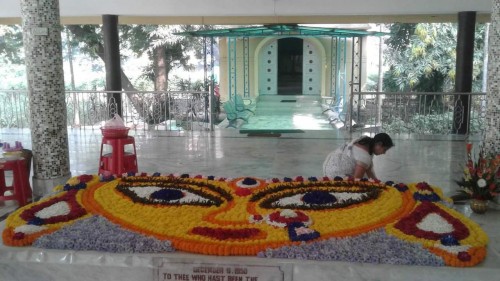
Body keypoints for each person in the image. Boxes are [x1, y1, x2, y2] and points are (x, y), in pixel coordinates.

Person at [323, 133, 394, 180]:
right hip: (336, 175)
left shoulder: (364, 140)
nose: (384, 153)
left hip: (329, 164)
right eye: (384, 149)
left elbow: (369, 170)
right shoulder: (364, 157)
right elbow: (356, 179)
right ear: (379, 144)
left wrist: (378, 183)